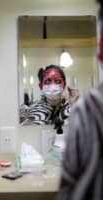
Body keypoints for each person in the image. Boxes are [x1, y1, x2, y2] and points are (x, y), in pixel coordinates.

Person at [57, 1, 103, 199]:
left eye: (57, 81)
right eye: (48, 81)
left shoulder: (89, 107)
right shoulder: (30, 108)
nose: (52, 84)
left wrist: (73, 102)